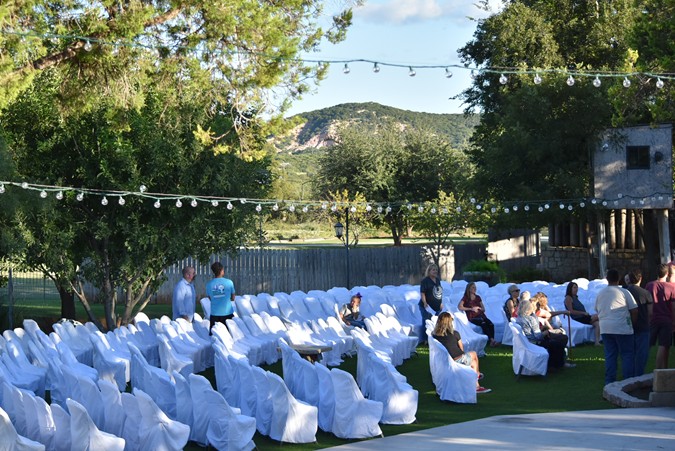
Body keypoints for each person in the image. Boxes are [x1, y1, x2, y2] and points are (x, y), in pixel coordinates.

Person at [595, 269, 638, 385]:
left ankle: (609, 382)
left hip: (605, 328)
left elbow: (597, 309)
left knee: (610, 355)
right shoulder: (624, 292)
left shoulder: (601, 293)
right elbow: (634, 309)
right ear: (619, 279)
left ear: (607, 279)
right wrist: (632, 324)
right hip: (622, 327)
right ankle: (628, 381)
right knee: (627, 354)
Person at [432, 312, 491, 394]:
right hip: (457, 359)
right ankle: (476, 382)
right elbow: (461, 348)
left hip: (445, 359)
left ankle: (477, 376)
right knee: (474, 356)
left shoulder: (435, 335)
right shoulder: (455, 333)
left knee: (473, 360)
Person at [516, 298, 571, 369]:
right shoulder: (530, 319)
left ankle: (554, 362)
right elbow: (538, 336)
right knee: (559, 341)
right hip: (534, 343)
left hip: (527, 342)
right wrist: (546, 332)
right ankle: (557, 364)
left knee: (558, 339)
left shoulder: (519, 318)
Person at [645, 263, 675, 369]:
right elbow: (673, 305)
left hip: (652, 318)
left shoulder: (649, 285)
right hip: (666, 318)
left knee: (648, 344)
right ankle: (659, 370)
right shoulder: (671, 287)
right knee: (664, 345)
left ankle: (663, 369)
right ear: (667, 274)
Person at [625, 269, 653, 376]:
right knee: (641, 354)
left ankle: (628, 375)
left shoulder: (625, 292)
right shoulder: (645, 293)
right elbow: (650, 312)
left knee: (628, 353)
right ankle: (639, 375)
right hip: (642, 325)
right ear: (640, 278)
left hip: (627, 325)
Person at [458, 282, 499, 347]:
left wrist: (479, 308)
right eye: (473, 287)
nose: (475, 289)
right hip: (472, 316)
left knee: (491, 324)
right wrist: (471, 309)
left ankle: (492, 340)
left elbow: (483, 309)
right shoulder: (466, 298)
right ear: (469, 289)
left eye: (475, 287)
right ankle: (492, 340)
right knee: (483, 323)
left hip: (481, 315)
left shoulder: (477, 297)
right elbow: (460, 307)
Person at [564, 281, 601, 346]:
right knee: (600, 315)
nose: (576, 289)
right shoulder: (568, 298)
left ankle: (597, 342)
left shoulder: (575, 298)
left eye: (577, 288)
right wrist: (583, 313)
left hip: (583, 317)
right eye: (574, 288)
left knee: (597, 323)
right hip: (578, 318)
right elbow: (571, 311)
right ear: (570, 289)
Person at [206, 261, 236, 332]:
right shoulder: (229, 282)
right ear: (222, 270)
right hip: (227, 313)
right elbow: (233, 298)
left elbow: (210, 298)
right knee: (229, 334)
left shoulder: (209, 284)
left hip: (214, 314)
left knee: (214, 335)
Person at [419, 263, 444, 340]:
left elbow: (439, 292)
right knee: (426, 322)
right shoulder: (425, 281)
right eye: (433, 270)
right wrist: (425, 302)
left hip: (436, 307)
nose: (435, 271)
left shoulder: (437, 280)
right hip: (427, 306)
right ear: (429, 271)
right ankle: (425, 340)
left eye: (436, 270)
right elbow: (422, 292)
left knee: (435, 322)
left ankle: (433, 338)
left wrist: (440, 303)